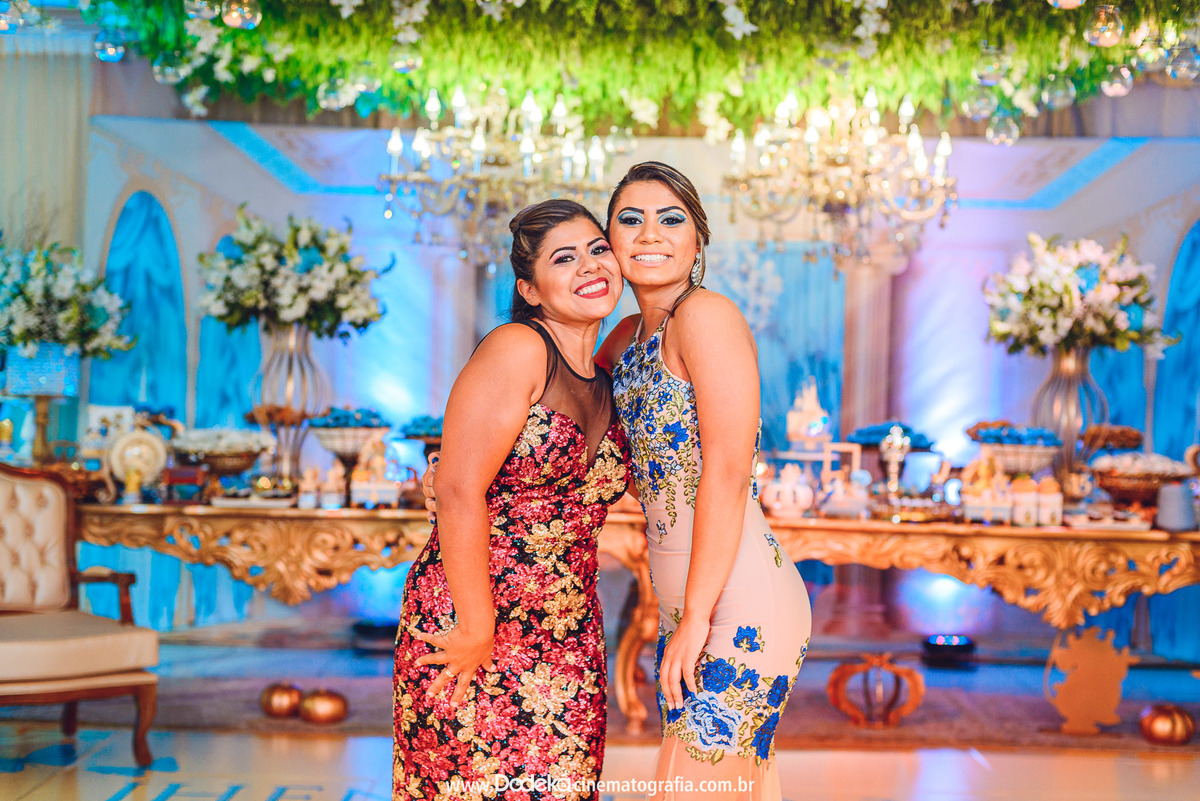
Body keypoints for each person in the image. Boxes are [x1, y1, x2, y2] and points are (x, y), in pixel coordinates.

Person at [393, 199, 629, 800]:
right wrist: (477, 626)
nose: (589, 266)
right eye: (564, 259)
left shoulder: (609, 378)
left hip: (570, 627)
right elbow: (457, 488)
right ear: (529, 289)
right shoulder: (518, 347)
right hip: (472, 614)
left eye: (598, 249)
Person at [596, 162, 811, 800]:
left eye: (670, 219)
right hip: (684, 603)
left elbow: (727, 470)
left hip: (737, 602)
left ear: (698, 241)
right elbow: (577, 436)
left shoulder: (706, 316)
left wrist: (696, 621)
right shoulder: (627, 338)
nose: (649, 234)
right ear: (610, 242)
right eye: (630, 220)